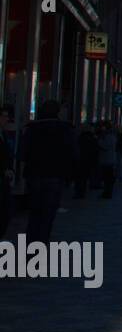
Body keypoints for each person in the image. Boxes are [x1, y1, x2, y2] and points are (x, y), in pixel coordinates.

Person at [19, 100, 76, 242]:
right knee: (47, 216)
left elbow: (22, 153)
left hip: (35, 176)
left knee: (34, 215)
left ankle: (31, 245)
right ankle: (40, 247)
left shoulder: (32, 129)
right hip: (55, 177)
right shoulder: (65, 129)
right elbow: (73, 154)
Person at [0, 105, 14, 239]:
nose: (7, 120)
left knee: (6, 209)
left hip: (4, 176)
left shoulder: (3, 133)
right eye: (4, 116)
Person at [97, 120, 120, 198]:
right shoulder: (110, 135)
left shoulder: (109, 135)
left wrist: (99, 141)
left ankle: (107, 192)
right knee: (107, 177)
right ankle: (107, 192)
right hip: (108, 159)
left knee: (108, 177)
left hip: (108, 159)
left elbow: (106, 146)